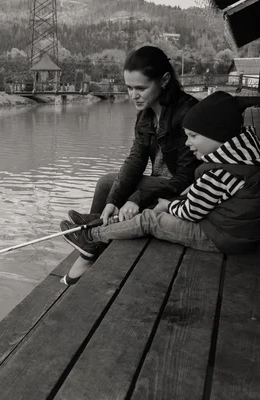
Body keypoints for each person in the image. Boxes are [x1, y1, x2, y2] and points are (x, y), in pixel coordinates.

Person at [60, 91, 260, 284]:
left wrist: (168, 206)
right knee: (163, 202)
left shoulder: (221, 171)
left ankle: (92, 238)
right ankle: (100, 222)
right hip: (235, 230)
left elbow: (190, 212)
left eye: (193, 136)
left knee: (150, 219)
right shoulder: (243, 157)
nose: (188, 144)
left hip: (221, 237)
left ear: (217, 135)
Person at [61, 46, 200, 285]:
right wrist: (115, 200)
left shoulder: (187, 113)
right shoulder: (146, 114)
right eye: (128, 87)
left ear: (165, 80)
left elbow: (186, 179)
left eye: (140, 88)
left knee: (109, 185)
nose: (132, 95)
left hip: (187, 190)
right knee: (109, 185)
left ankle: (91, 245)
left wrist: (137, 198)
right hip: (166, 182)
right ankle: (94, 235)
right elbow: (136, 160)